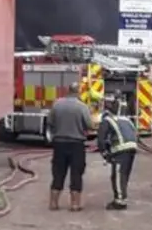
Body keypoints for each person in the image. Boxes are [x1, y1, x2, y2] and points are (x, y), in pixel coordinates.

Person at [47, 81, 92, 212]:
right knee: (76, 174)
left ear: (68, 90)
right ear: (78, 91)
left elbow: (50, 121)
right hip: (77, 145)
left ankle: (53, 203)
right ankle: (74, 205)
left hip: (59, 144)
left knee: (58, 173)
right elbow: (90, 125)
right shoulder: (82, 107)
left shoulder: (57, 104)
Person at [97, 90, 138, 210]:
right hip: (132, 148)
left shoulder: (107, 120)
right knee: (124, 174)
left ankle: (120, 202)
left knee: (118, 175)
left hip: (121, 149)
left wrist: (105, 154)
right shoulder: (126, 120)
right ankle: (122, 197)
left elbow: (101, 140)